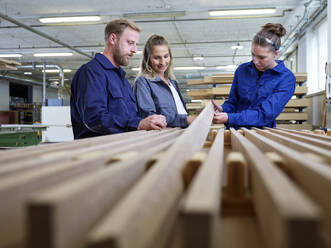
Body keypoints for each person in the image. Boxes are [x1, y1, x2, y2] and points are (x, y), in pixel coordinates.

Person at [70, 19, 167, 139]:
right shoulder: (91, 73)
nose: (134, 50)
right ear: (113, 39)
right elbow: (94, 118)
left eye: (136, 44)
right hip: (97, 152)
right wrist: (139, 124)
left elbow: (129, 118)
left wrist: (148, 122)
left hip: (122, 148)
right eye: (130, 43)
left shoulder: (122, 79)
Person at [212, 23, 296, 129]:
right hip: (234, 132)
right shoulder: (242, 70)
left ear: (275, 53)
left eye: (261, 57)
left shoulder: (286, 79)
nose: (255, 61)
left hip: (263, 135)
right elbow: (233, 102)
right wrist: (222, 109)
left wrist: (230, 117)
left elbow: (265, 114)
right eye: (253, 54)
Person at [133, 34, 195, 128]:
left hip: (182, 134)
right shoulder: (143, 82)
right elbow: (150, 118)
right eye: (157, 58)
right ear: (148, 58)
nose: (162, 62)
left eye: (166, 56)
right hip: (162, 138)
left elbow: (181, 112)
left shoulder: (172, 82)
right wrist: (185, 120)